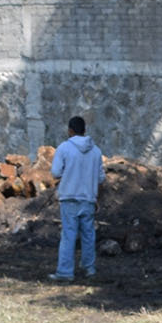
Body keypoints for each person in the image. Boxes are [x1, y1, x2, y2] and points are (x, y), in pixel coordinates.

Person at [49, 114, 104, 282]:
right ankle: (89, 268)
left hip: (69, 197)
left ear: (70, 131)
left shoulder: (64, 148)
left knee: (68, 235)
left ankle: (65, 272)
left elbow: (55, 173)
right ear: (85, 130)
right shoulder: (96, 151)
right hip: (88, 198)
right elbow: (101, 177)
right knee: (88, 234)